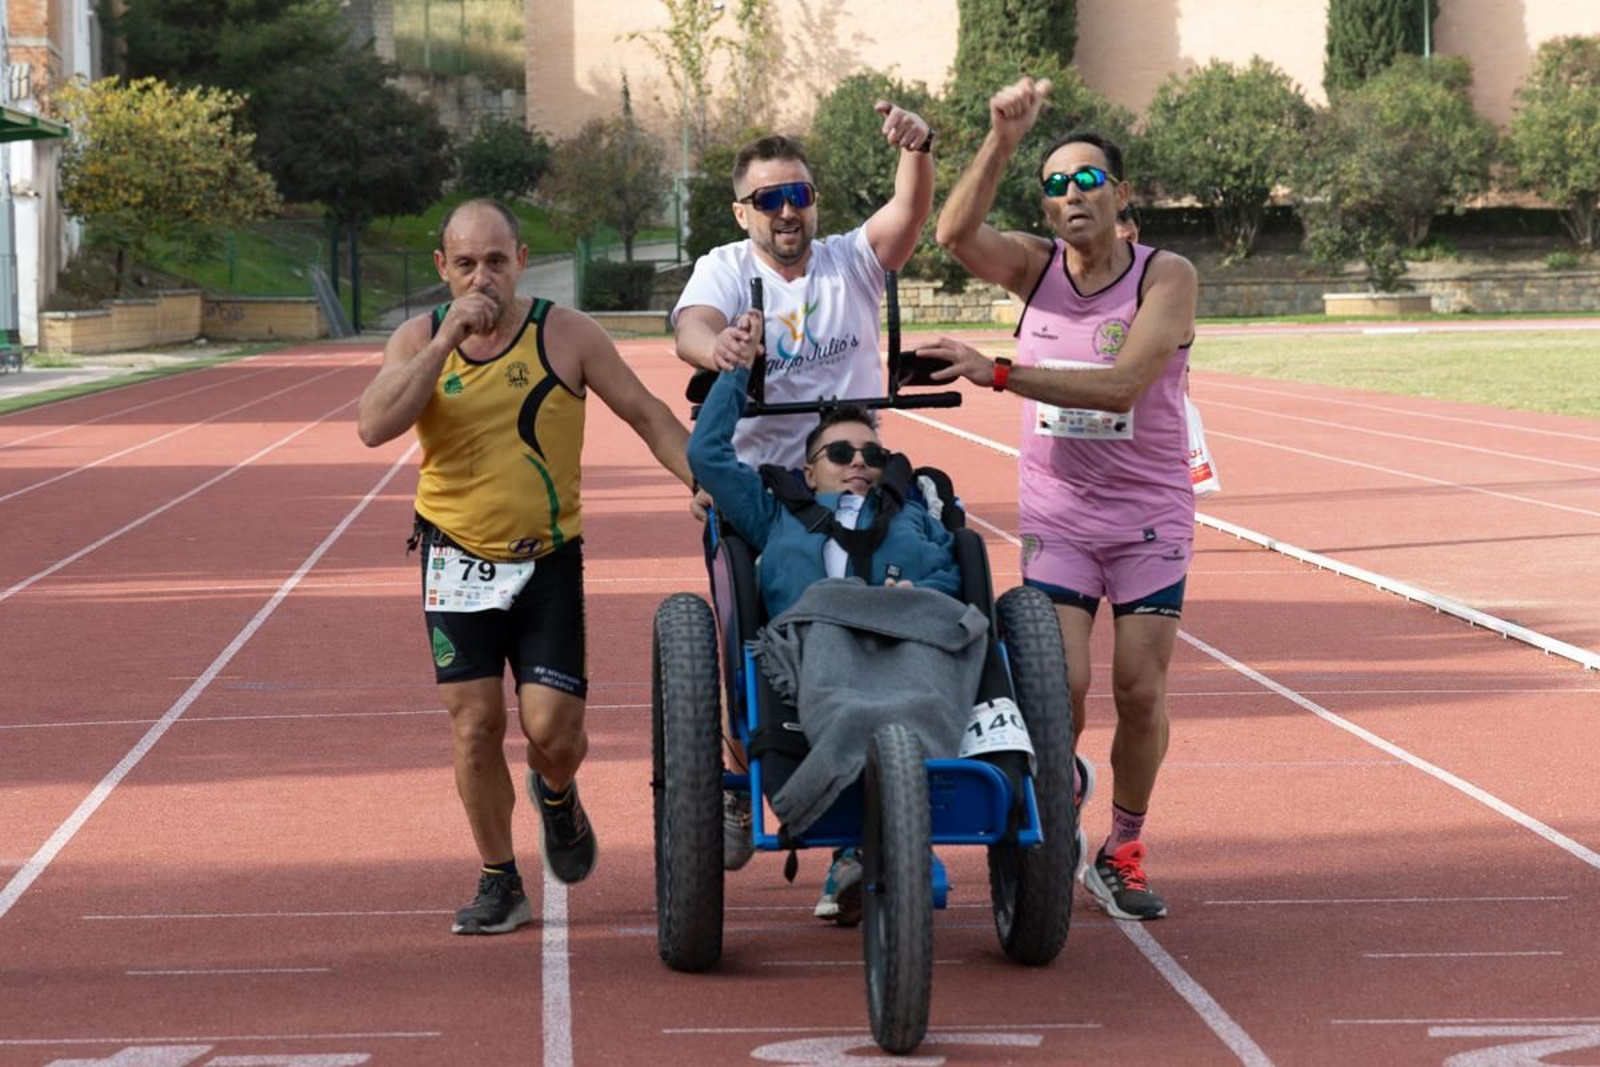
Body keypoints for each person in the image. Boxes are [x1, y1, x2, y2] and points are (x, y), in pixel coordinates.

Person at [357, 198, 693, 936]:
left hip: (545, 562)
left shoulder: (566, 334)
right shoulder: (419, 338)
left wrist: (701, 480)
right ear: (442, 268)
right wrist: (443, 340)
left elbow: (645, 413)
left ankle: (557, 791)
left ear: (521, 258)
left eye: (498, 262)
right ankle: (499, 877)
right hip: (453, 556)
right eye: (467, 264)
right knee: (475, 725)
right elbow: (373, 424)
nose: (484, 279)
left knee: (555, 734)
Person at [922, 76, 1199, 922]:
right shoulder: (1034, 269)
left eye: (1088, 180)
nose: (1071, 194)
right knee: (1064, 683)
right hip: (1060, 514)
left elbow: (1119, 386)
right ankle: (1055, 798)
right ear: (1045, 209)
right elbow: (953, 232)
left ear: (1122, 195)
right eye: (1055, 184)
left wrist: (996, 369)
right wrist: (1003, 139)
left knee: (1141, 691)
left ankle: (1122, 846)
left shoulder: (1167, 276)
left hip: (1149, 512)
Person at [673, 103, 936, 872]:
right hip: (763, 500)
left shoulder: (851, 260)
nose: (788, 211)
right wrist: (718, 347)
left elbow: (907, 213)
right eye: (769, 199)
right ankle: (740, 767)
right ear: (741, 211)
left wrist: (916, 152)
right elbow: (691, 325)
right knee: (748, 638)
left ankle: (888, 784)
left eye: (800, 195)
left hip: (854, 478)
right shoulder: (726, 268)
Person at [688, 362, 969, 924]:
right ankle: (867, 836)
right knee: (842, 694)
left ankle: (874, 835)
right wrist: (737, 371)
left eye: (873, 455)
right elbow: (708, 456)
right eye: (841, 455)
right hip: (816, 648)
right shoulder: (775, 515)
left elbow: (955, 583)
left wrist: (919, 593)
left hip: (907, 638)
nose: (859, 463)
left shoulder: (915, 514)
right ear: (811, 471)